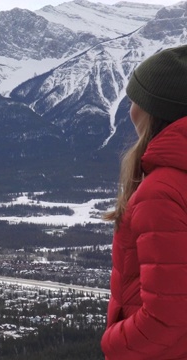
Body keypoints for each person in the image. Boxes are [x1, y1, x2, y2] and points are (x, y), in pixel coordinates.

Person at [101, 44, 187, 359]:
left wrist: (113, 345)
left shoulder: (161, 191)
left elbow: (167, 319)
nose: (129, 109)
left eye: (136, 99)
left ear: (154, 110)